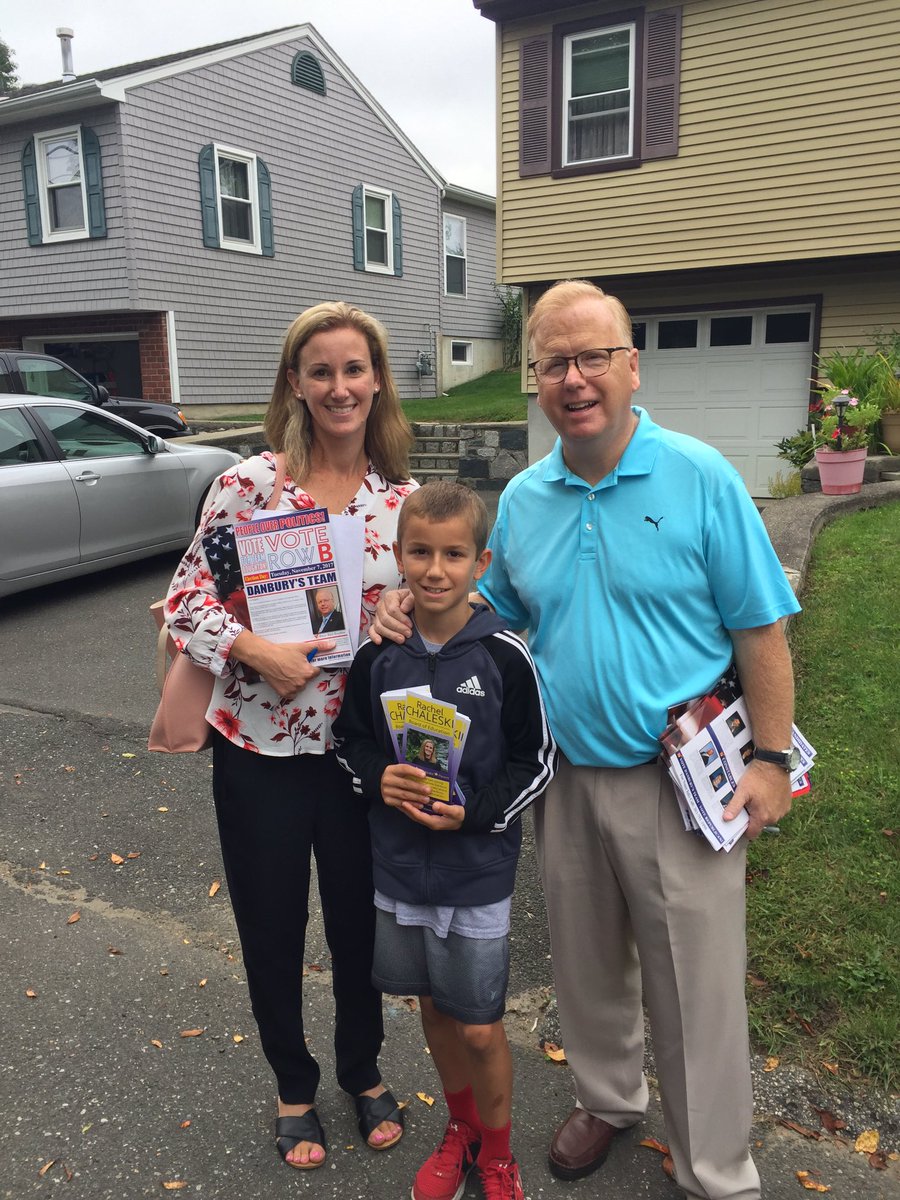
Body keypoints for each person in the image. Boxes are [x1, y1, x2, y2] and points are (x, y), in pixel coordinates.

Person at [372, 281, 801, 1200]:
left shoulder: (699, 476)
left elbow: (760, 626)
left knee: (696, 986)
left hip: (679, 780)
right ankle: (610, 1101)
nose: (574, 378)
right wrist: (414, 601)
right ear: (536, 379)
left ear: (630, 365)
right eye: (554, 362)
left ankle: (717, 1169)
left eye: (592, 356)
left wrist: (768, 762)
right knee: (587, 967)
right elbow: (505, 610)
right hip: (564, 778)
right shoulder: (526, 499)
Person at [163, 301, 418, 1171]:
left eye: (354, 369)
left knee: (358, 927)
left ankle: (362, 1069)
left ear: (375, 379)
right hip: (259, 749)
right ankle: (293, 1086)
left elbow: (434, 601)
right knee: (270, 924)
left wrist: (403, 609)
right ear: (296, 384)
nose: (340, 387)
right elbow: (184, 600)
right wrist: (252, 648)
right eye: (321, 371)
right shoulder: (250, 486)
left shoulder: (401, 502)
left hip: (358, 755)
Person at [333, 481, 557, 1200]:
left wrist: (478, 815)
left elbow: (538, 759)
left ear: (480, 561)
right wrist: (379, 780)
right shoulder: (379, 658)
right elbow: (350, 743)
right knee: (431, 1008)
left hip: (474, 874)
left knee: (483, 1028)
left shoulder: (503, 655)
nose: (435, 570)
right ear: (398, 556)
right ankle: (459, 1130)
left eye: (453, 554)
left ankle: (497, 1152)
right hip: (398, 870)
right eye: (420, 553)